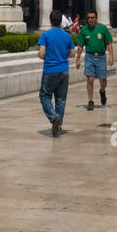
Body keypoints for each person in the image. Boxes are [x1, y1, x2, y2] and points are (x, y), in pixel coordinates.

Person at [37, 8, 74, 137]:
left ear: (50, 21)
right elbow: (72, 53)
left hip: (50, 69)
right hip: (64, 69)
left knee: (44, 96)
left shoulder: (46, 35)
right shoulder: (67, 35)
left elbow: (42, 53)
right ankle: (58, 126)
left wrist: (46, 57)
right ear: (61, 22)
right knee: (61, 99)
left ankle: (53, 118)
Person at [74, 9, 115, 110]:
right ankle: (90, 100)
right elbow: (80, 46)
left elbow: (109, 42)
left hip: (101, 56)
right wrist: (78, 59)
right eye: (89, 18)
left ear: (96, 18)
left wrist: (111, 56)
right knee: (90, 79)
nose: (90, 20)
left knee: (103, 80)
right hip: (90, 56)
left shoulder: (103, 28)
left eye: (92, 17)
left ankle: (102, 91)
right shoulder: (84, 30)